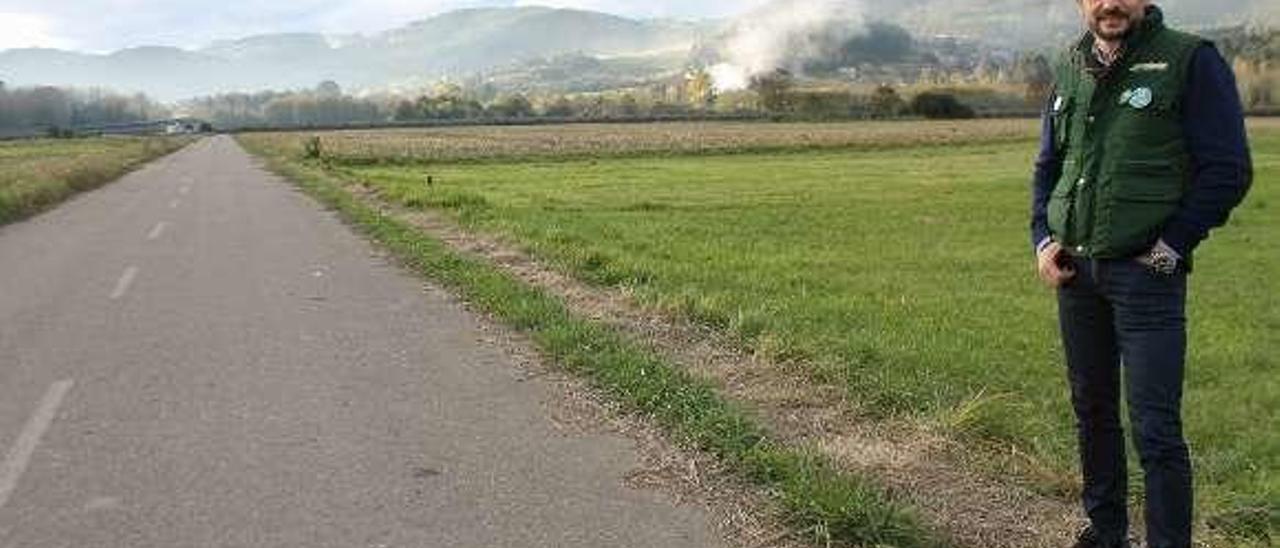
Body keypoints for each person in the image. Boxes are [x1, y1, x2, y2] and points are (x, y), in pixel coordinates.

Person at [1028, 1, 1253, 547]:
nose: (1110, 3)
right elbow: (1049, 166)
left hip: (1146, 280)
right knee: (1093, 412)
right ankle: (1106, 534)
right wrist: (1042, 238)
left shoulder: (1190, 61)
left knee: (1156, 429)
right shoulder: (1070, 65)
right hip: (1076, 275)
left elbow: (1228, 169)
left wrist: (1172, 245)